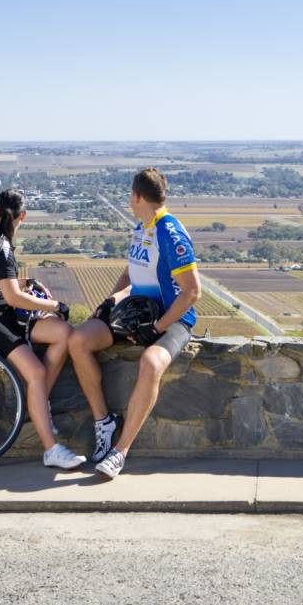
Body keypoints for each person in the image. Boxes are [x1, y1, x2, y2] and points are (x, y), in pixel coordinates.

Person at [68, 168, 201, 478]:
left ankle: (120, 451)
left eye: (130, 195)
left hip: (173, 319)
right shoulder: (142, 228)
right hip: (135, 313)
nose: (129, 200)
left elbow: (192, 293)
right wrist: (108, 303)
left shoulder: (170, 233)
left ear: (138, 196)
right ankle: (104, 421)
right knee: (78, 340)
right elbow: (130, 276)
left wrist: (156, 329)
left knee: (151, 363)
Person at [0, 188, 84, 469]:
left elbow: (5, 286)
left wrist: (27, 282)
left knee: (63, 334)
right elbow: (14, 297)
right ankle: (51, 450)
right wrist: (56, 306)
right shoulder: (1, 246)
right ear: (23, 217)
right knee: (37, 372)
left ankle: (39, 400)